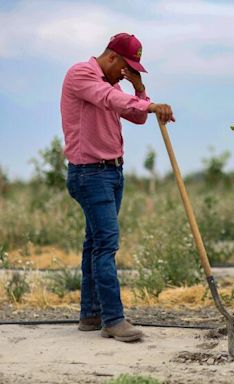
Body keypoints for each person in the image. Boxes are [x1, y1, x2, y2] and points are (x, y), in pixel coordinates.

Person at [60, 33, 174, 342]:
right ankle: (112, 319)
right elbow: (110, 99)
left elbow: (135, 116)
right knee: (107, 246)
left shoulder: (115, 86)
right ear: (112, 58)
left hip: (111, 173)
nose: (125, 74)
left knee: (94, 244)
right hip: (90, 174)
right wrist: (151, 105)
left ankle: (91, 314)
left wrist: (140, 90)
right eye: (125, 68)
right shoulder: (82, 75)